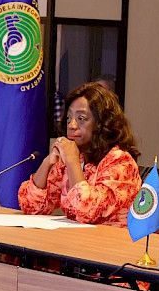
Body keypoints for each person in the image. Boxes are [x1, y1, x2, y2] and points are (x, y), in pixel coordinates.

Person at [19, 82, 142, 227]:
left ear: (101, 124)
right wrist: (47, 162)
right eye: (69, 118)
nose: (71, 125)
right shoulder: (75, 157)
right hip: (77, 238)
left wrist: (72, 162)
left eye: (81, 119)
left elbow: (87, 211)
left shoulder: (120, 162)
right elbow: (32, 206)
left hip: (112, 239)